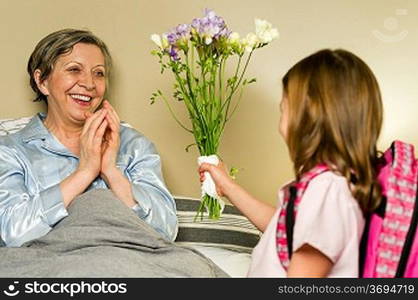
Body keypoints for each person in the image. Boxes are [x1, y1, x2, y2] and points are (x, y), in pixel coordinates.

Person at [199, 49, 383, 277]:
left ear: (309, 117)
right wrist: (227, 186)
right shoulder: (331, 186)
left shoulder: (327, 190)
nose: (279, 125)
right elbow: (284, 229)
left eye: (283, 110)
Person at [0, 28, 177, 247]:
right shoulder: (10, 151)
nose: (90, 84)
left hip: (129, 264)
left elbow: (166, 230)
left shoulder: (135, 145)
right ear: (42, 81)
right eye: (74, 70)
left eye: (99, 73)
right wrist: (85, 172)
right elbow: (13, 234)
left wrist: (111, 171)